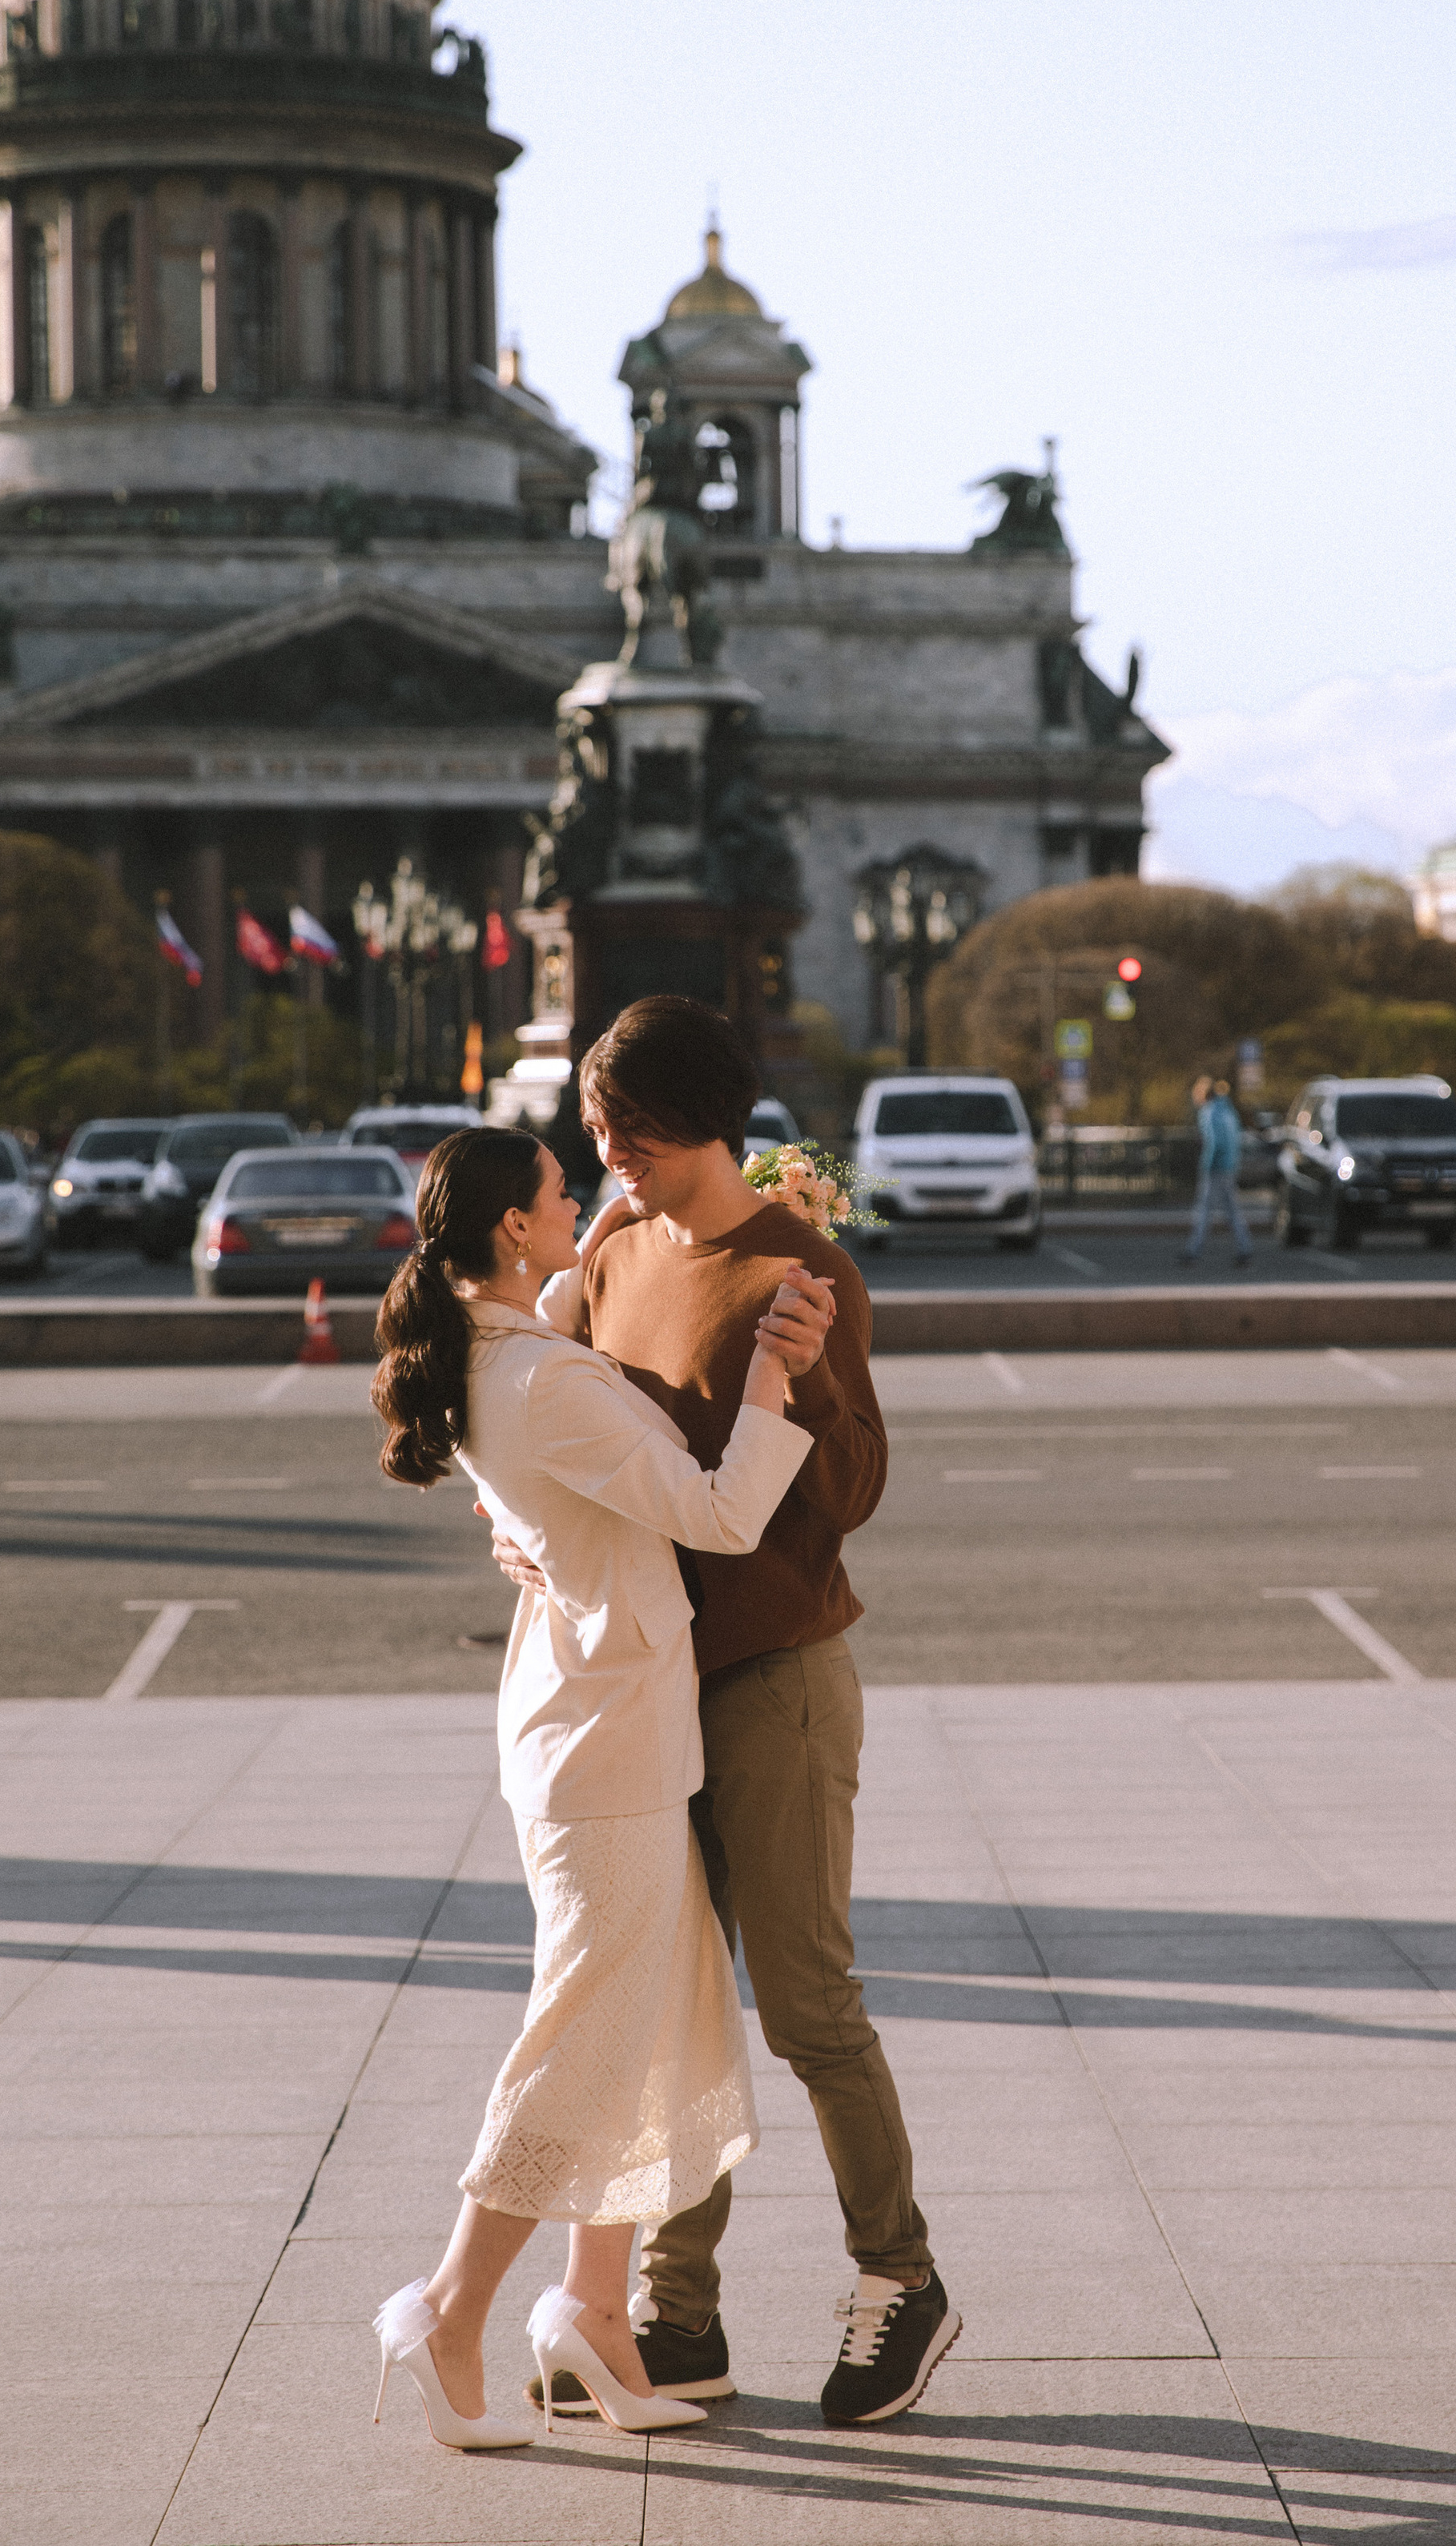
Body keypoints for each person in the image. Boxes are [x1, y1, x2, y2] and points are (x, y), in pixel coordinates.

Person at [497, 995, 960, 2428]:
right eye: (596, 1134)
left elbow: (852, 1497)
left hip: (774, 1683)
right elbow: (562, 1431)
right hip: (653, 1686)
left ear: (699, 1121)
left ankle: (903, 2279)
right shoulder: (619, 1251)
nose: (607, 1159)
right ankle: (676, 2319)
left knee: (806, 2002)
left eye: (623, 1134)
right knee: (664, 2004)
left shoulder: (799, 1268)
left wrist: (806, 1379)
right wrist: (520, 1529)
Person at [365, 1123, 831, 2453]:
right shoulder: (540, 1384)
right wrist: (768, 1376)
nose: (586, 1202)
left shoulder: (498, 1336)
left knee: (642, 2029)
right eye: (565, 1193)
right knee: (578, 2045)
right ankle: (451, 2313)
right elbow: (721, 1511)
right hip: (604, 1754)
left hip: (604, 1730)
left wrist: (653, 1208)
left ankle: (595, 2312)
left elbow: (567, 1308)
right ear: (512, 1227)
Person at [1180, 1072, 1252, 1266]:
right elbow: (1236, 1138)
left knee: (1204, 1210)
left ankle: (1193, 1250)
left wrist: (1206, 1165)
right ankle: (1244, 1248)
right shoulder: (1228, 1110)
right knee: (1232, 1210)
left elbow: (1214, 1142)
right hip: (1230, 1166)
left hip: (1216, 1168)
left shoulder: (1209, 1112)